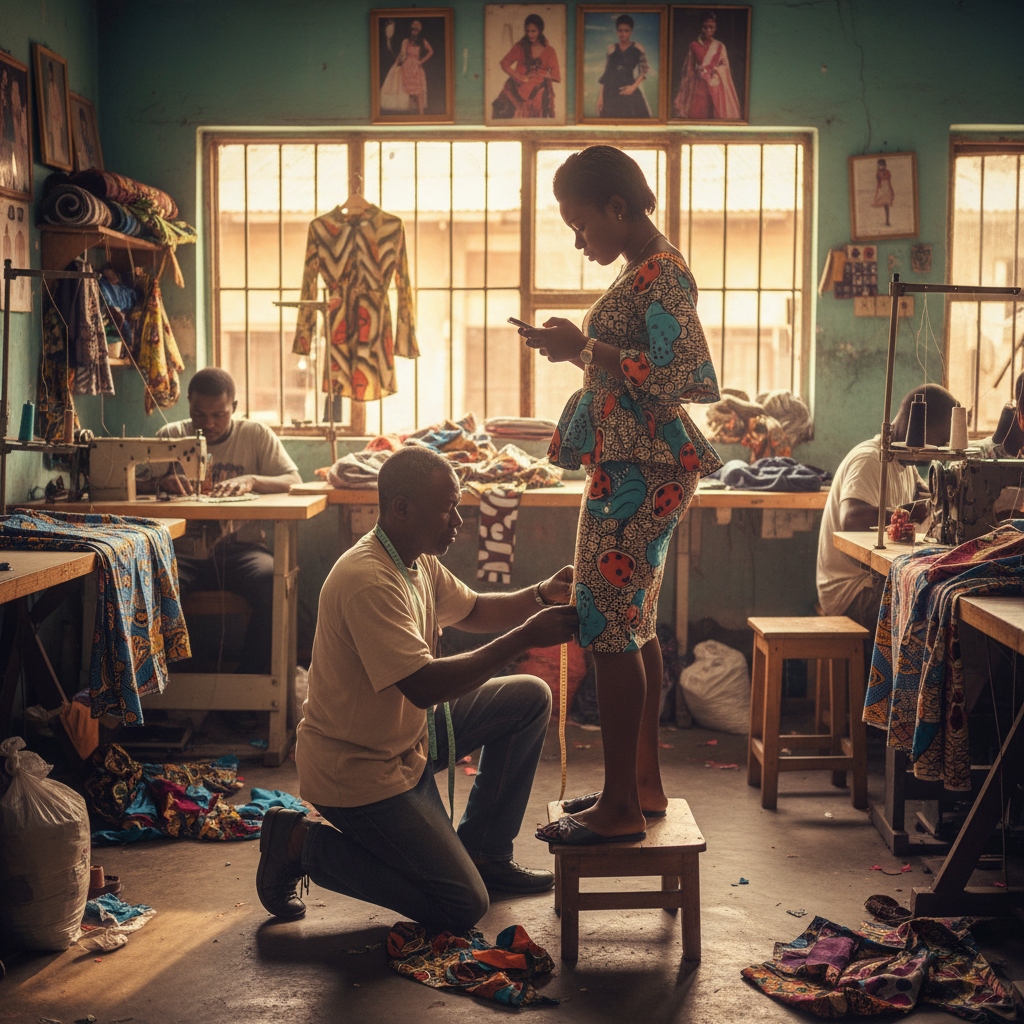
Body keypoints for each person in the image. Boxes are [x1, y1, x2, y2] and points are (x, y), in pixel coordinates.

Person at [255, 446, 579, 928]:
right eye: (448, 508)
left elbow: (473, 611)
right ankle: (301, 845)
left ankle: (486, 853)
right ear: (400, 508)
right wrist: (527, 636)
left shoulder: (415, 558)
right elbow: (425, 686)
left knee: (530, 697)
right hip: (359, 773)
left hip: (406, 742)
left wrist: (540, 596)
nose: (459, 521)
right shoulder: (368, 579)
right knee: (462, 906)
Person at [518, 146, 722, 845]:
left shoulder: (664, 273)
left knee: (606, 622)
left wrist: (588, 347)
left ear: (617, 207)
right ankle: (640, 788)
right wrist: (571, 346)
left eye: (581, 224)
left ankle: (619, 808)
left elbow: (687, 373)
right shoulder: (644, 272)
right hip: (633, 462)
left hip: (639, 465)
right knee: (631, 623)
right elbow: (638, 367)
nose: (579, 240)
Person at [149, 367, 301, 675]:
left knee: (271, 581)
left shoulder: (255, 435)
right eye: (199, 414)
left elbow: (293, 479)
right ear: (188, 403)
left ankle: (251, 688)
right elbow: (137, 483)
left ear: (234, 406)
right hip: (183, 551)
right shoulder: (171, 436)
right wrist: (159, 484)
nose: (208, 424)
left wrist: (252, 479)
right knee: (149, 585)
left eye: (219, 415)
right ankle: (171, 690)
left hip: (241, 549)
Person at [816, 383, 957, 634]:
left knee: (939, 601)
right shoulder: (870, 459)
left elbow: (926, 497)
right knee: (929, 616)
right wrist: (913, 511)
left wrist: (936, 499)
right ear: (916, 430)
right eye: (939, 441)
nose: (938, 449)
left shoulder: (905, 465)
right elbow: (851, 518)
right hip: (851, 590)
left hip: (872, 581)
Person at [673, 11, 742, 120]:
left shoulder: (720, 46)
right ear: (701, 27)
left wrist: (714, 71)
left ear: (715, 28)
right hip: (699, 86)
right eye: (705, 27)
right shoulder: (694, 45)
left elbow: (725, 67)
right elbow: (688, 68)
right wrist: (697, 72)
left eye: (711, 27)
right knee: (698, 114)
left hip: (715, 86)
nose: (708, 30)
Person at [491, 14, 560, 120]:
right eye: (527, 31)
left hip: (537, 89)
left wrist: (540, 73)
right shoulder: (520, 47)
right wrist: (518, 76)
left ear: (540, 31)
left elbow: (556, 76)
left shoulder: (549, 50)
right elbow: (504, 63)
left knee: (535, 112)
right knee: (500, 108)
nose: (530, 34)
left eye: (533, 31)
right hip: (516, 86)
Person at [597, 15, 651, 119]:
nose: (623, 34)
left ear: (631, 31)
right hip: (610, 92)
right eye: (620, 30)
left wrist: (633, 87)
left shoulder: (638, 48)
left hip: (629, 89)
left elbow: (644, 71)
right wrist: (600, 98)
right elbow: (607, 73)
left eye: (626, 31)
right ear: (617, 31)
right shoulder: (611, 48)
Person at [396, 19, 433, 116]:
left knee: (419, 92)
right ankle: (410, 116)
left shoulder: (422, 41)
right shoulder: (406, 41)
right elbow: (401, 54)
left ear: (419, 30)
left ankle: (421, 116)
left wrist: (421, 61)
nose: (414, 32)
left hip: (416, 68)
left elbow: (431, 51)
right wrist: (396, 65)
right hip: (407, 67)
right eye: (412, 29)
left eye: (416, 30)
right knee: (408, 92)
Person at [873, 158, 894, 228]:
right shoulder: (878, 173)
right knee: (885, 205)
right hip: (882, 190)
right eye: (880, 165)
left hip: (887, 189)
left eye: (882, 165)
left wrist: (891, 191)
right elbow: (878, 184)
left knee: (887, 206)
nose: (881, 166)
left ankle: (887, 221)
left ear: (885, 165)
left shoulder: (887, 172)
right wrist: (877, 193)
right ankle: (887, 221)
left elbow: (889, 182)